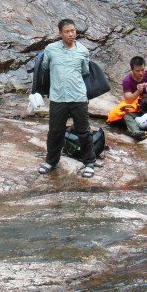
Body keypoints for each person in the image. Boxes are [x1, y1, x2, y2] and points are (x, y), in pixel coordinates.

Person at [37, 19, 98, 178]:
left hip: (78, 97)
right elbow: (44, 68)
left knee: (83, 131)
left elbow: (85, 71)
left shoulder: (83, 50)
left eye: (73, 30)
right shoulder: (51, 49)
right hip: (58, 97)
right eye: (67, 31)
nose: (71, 34)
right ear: (60, 33)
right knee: (55, 131)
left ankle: (89, 163)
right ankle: (51, 161)